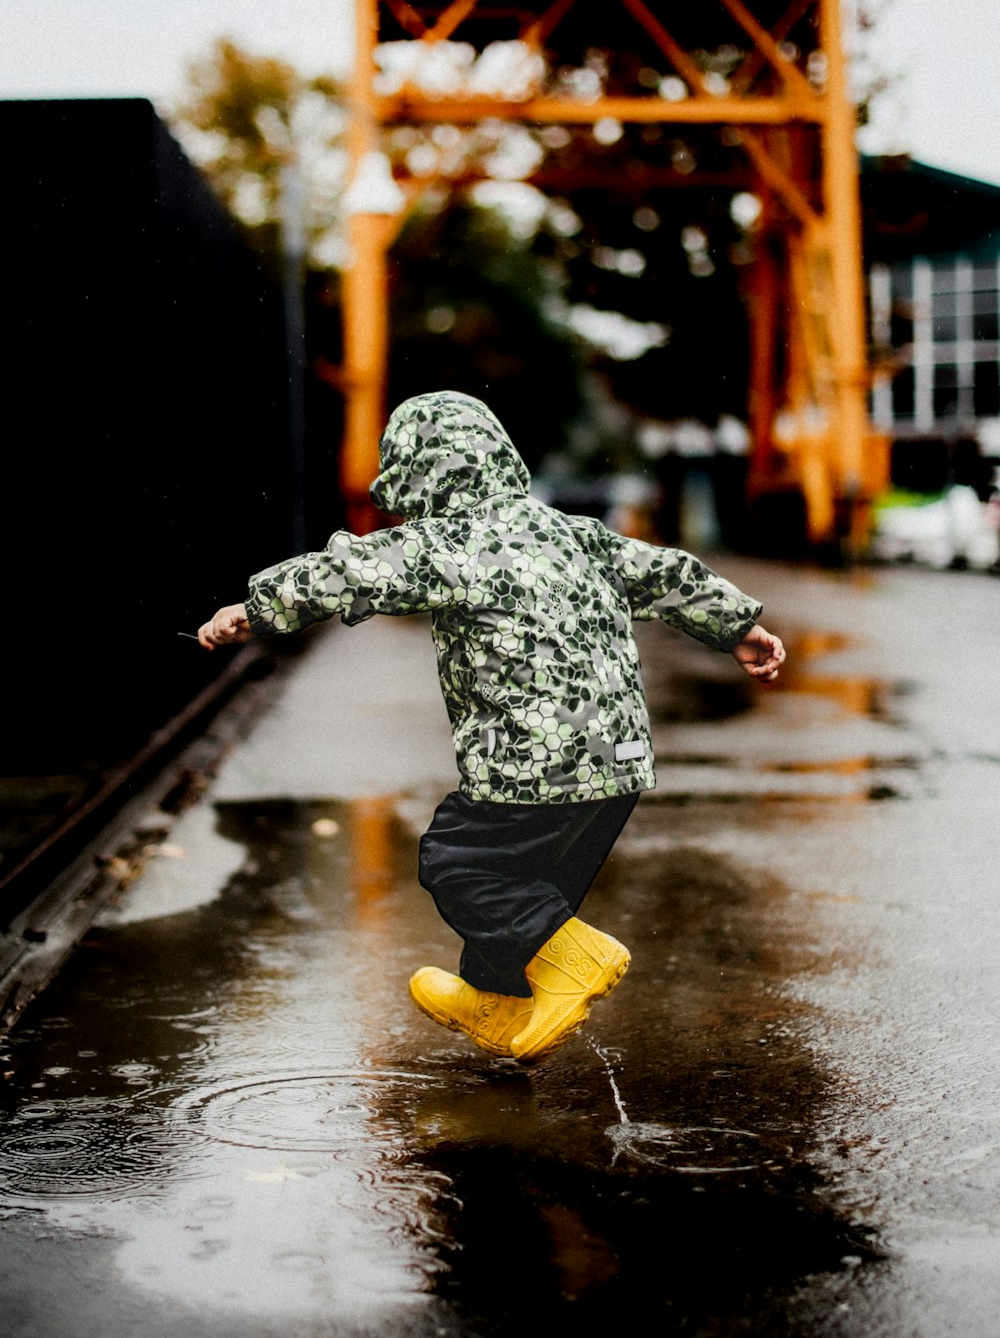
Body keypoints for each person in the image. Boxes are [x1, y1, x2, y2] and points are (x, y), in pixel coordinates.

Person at [199, 391, 784, 1064]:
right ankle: (497, 1000)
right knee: (529, 886)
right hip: (617, 761)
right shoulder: (572, 531)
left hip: (531, 762)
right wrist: (740, 626)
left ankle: (575, 961)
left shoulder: (445, 543)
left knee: (461, 862)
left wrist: (255, 610)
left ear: (416, 474)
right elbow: (662, 573)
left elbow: (346, 573)